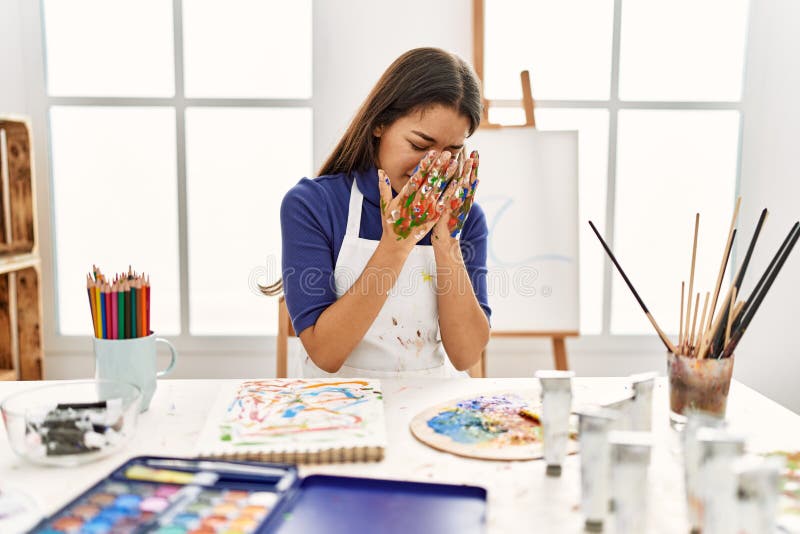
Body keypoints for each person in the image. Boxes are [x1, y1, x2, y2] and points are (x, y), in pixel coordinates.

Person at [279, 47, 490, 378]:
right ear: (380, 124)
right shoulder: (312, 204)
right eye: (420, 145)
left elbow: (465, 355)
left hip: (427, 410)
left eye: (451, 152)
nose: (433, 167)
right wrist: (397, 243)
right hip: (334, 409)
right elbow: (325, 353)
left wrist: (447, 243)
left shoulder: (466, 217)